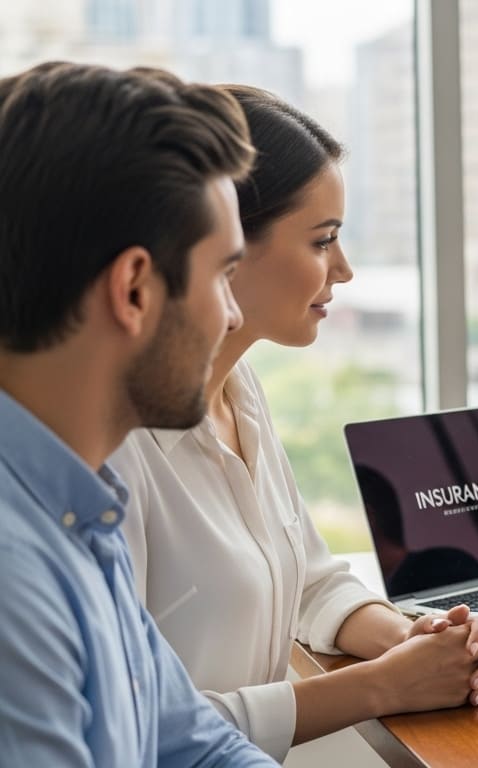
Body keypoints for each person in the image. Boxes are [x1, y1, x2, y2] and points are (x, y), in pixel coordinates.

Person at [106, 85, 478, 760]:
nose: (344, 270)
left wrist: (418, 642)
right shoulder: (110, 446)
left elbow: (311, 581)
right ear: (224, 244)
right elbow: (142, 729)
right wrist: (381, 688)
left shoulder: (240, 389)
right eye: (322, 241)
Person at [0, 61, 276, 765]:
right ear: (134, 291)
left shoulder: (82, 511)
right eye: (223, 275)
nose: (235, 314)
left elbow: (188, 740)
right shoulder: (14, 576)